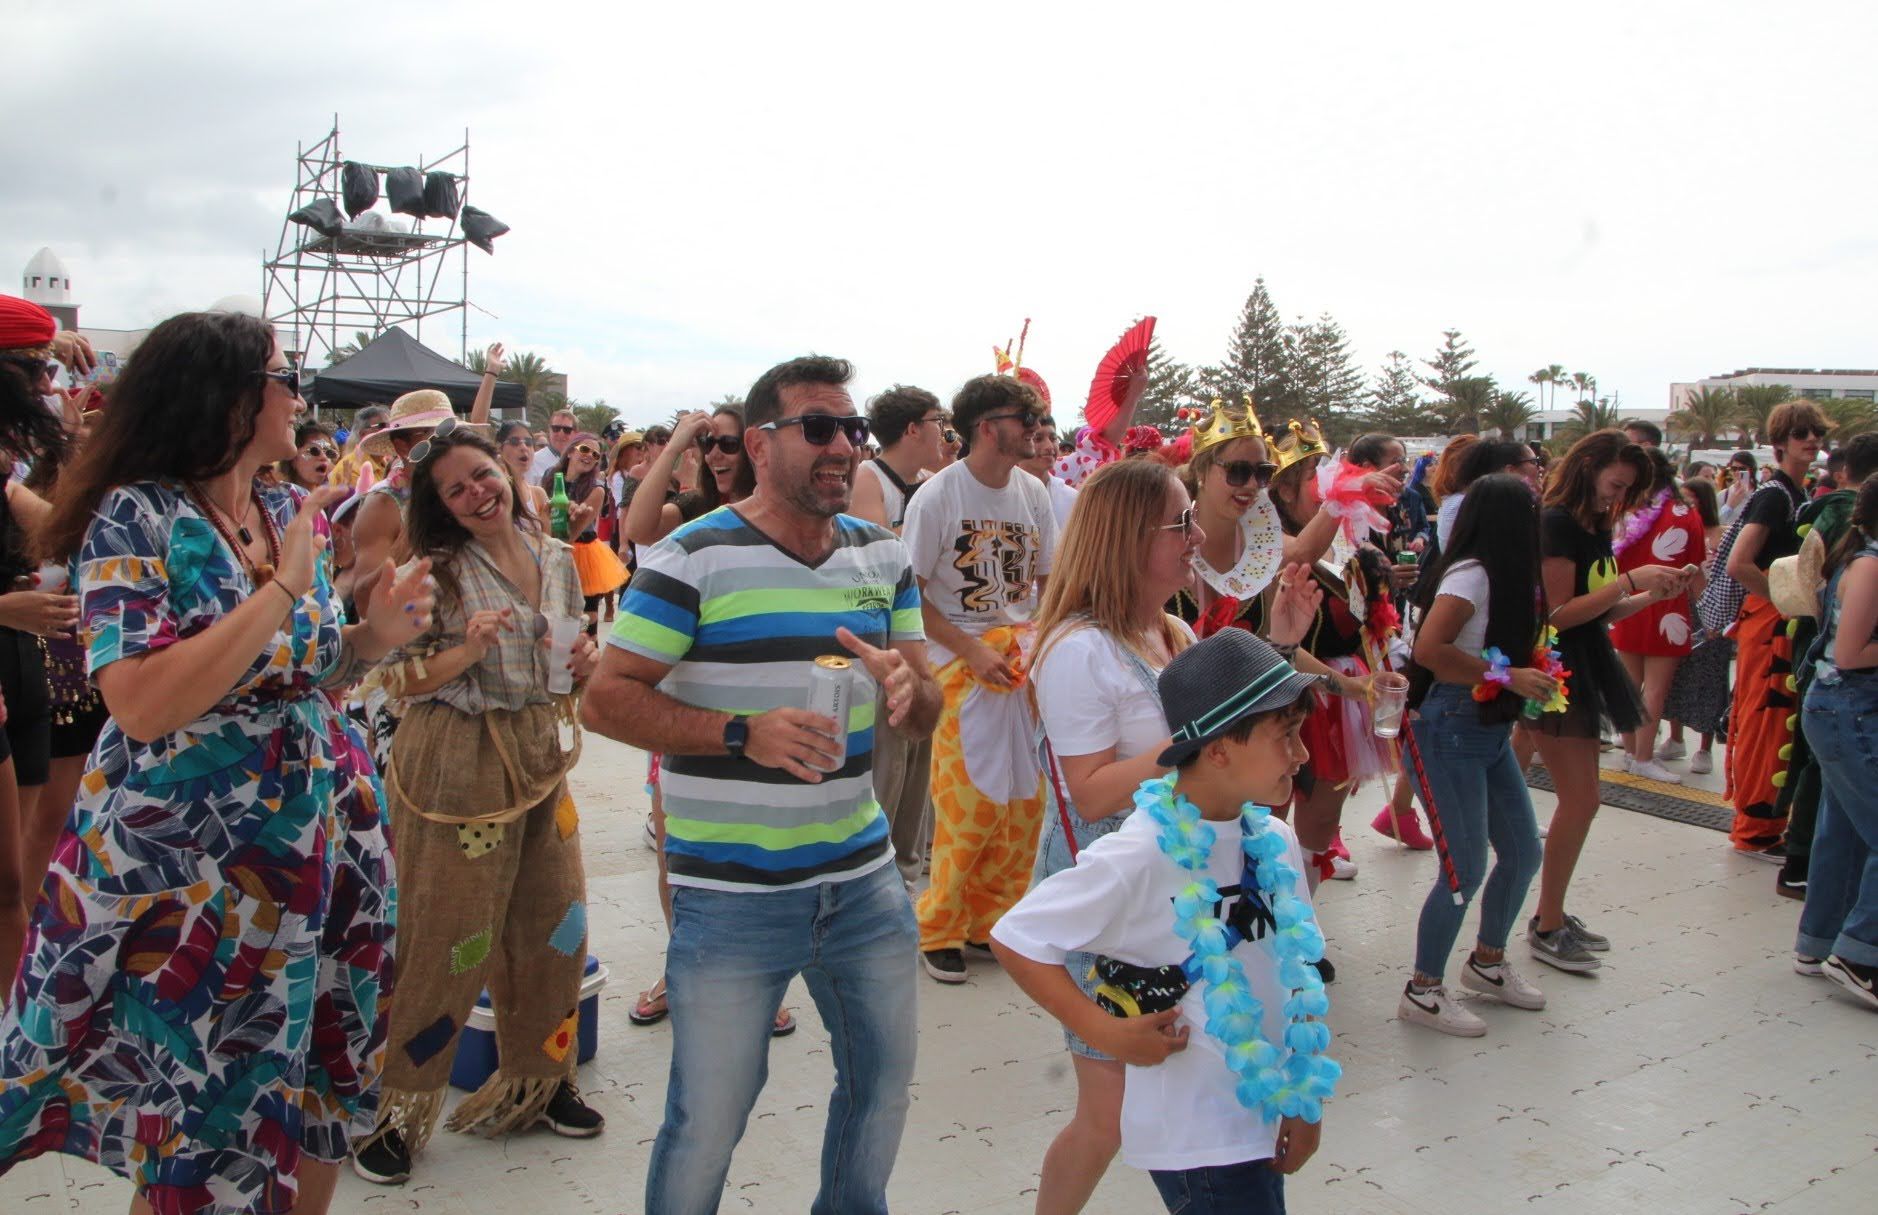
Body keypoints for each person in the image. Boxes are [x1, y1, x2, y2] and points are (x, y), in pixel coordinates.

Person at [0, 309, 434, 1215]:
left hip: (319, 843)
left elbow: (305, 671)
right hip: (197, 870)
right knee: (198, 1109)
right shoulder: (137, 514)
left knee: (315, 1084)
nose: (299, 397)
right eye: (285, 377)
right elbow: (143, 700)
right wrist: (282, 587)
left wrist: (372, 638)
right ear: (229, 397)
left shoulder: (283, 510)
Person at [583, 353, 942, 1214]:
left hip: (861, 880)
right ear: (759, 440)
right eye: (818, 427)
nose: (842, 446)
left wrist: (909, 688)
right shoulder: (692, 557)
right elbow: (604, 699)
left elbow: (926, 703)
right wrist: (742, 733)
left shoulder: (880, 556)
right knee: (708, 1119)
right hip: (732, 894)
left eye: (851, 430)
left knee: (882, 1091)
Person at [992, 628, 1337, 1215]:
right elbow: (1017, 937)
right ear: (1220, 748)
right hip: (1194, 1135)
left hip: (1262, 1113)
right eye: (1286, 737)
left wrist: (1305, 1103)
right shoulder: (1144, 851)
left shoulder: (1276, 841)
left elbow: (1297, 972)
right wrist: (1100, 1031)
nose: (1302, 757)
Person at [350, 426, 605, 1186]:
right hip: (456, 763)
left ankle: (541, 1079)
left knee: (555, 923)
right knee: (446, 935)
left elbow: (563, 667)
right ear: (440, 506)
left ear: (506, 471)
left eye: (482, 475)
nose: (477, 493)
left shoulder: (558, 558)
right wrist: (466, 647)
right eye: (456, 489)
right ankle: (399, 1112)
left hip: (537, 755)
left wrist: (585, 659)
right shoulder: (434, 574)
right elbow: (392, 679)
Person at [1024, 459, 1199, 1213]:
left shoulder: (1173, 630)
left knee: (1170, 1092)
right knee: (1106, 1115)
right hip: (1111, 899)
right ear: (1131, 538)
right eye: (1181, 523)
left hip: (1174, 883)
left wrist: (1282, 643)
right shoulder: (1078, 651)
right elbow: (1089, 791)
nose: (1196, 537)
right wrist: (1188, 743)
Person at [901, 373, 1058, 984]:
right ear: (988, 428)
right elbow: (909, 595)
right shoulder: (938, 497)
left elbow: (1045, 582)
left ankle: (990, 919)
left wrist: (1038, 642)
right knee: (968, 803)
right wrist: (971, 650)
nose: (1037, 432)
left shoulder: (1033, 494)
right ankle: (938, 925)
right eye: (1025, 420)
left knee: (1023, 804)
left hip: (1019, 666)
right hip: (961, 669)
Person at [1396, 475, 1555, 1036]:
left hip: (1486, 727)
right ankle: (1423, 988)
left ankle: (1487, 961)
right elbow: (1429, 650)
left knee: (1521, 850)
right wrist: (1507, 674)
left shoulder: (1511, 577)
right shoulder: (1472, 575)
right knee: (1463, 868)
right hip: (1452, 727)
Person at [1528, 430, 1687, 972]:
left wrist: (1649, 593)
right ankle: (1547, 923)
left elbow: (1595, 611)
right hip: (1558, 672)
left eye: (1625, 491)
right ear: (1590, 466)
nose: (1615, 499)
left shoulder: (1590, 523)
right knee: (1582, 800)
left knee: (1583, 799)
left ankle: (1551, 915)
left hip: (1582, 664)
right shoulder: (1557, 522)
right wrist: (1629, 581)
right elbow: (1557, 614)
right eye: (1615, 485)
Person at [0, 295, 75, 997]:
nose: (49, 386)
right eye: (39, 369)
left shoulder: (5, 466)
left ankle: (18, 1033)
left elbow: (60, 528)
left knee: (14, 881)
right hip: (10, 651)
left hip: (22, 671)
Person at [1722, 399, 1829, 862]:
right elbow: (1739, 562)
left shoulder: (1796, 491)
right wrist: (1780, 597)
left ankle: (1766, 823)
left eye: (1816, 433)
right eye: (1801, 433)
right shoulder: (1775, 495)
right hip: (1769, 623)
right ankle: (1755, 828)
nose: (1811, 440)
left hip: (1781, 621)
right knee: (1765, 721)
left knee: (1778, 724)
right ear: (1780, 442)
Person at [851, 384, 949, 886]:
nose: (946, 432)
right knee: (886, 779)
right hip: (881, 651)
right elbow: (881, 559)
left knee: (918, 780)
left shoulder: (933, 484)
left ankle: (908, 879)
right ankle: (878, 880)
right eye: (938, 421)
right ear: (912, 428)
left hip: (918, 647)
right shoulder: (869, 478)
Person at [1776, 435, 1878, 898]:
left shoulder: (1833, 517)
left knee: (1833, 800)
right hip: (1843, 684)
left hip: (1821, 668)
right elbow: (1850, 650)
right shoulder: (1862, 551)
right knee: (1821, 770)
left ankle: (1814, 910)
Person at [1794, 471, 1878, 1010]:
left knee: (1844, 833)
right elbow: (1850, 655)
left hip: (1837, 711)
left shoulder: (1859, 558)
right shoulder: (1870, 566)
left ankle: (1819, 942)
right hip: (1850, 710)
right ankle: (1861, 954)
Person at [1610, 449, 1707, 783]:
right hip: (1668, 607)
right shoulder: (1684, 512)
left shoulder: (1623, 509)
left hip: (1625, 604)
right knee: (1655, 688)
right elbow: (1694, 569)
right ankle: (1644, 757)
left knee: (1628, 684)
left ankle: (1628, 751)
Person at [1662, 476, 1729, 776]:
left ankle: (1705, 747)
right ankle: (1675, 737)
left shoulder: (1723, 535)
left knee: (1710, 678)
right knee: (1674, 674)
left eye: (1691, 500)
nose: (1686, 506)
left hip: (1713, 609)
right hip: (1680, 607)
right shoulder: (1679, 531)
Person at [552, 431, 629, 632]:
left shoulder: (596, 488)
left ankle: (591, 660)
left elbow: (573, 531)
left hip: (582, 551)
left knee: (588, 618)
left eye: (595, 455)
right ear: (570, 451)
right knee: (559, 617)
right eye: (585, 449)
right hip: (553, 546)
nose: (589, 456)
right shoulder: (551, 477)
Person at [497, 418, 551, 519]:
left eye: (528, 442)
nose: (524, 447)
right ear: (499, 448)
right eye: (514, 442)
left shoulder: (538, 495)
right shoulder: (492, 492)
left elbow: (547, 535)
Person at [328, 402, 392, 487]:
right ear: (363, 434)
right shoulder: (350, 469)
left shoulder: (387, 464)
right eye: (382, 426)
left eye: (391, 426)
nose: (389, 431)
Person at [280, 419, 339, 490]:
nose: (324, 457)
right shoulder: (278, 498)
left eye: (327, 452)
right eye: (314, 451)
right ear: (293, 459)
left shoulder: (332, 496)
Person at [529, 406, 578, 485]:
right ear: (549, 430)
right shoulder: (533, 461)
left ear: (575, 433)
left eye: (567, 430)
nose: (561, 433)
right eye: (556, 428)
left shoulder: (580, 460)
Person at [1719, 451, 1758, 526]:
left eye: (1742, 469)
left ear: (1751, 469)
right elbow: (1717, 522)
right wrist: (1729, 505)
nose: (1737, 472)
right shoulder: (1723, 495)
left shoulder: (1761, 492)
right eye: (1734, 468)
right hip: (1731, 536)